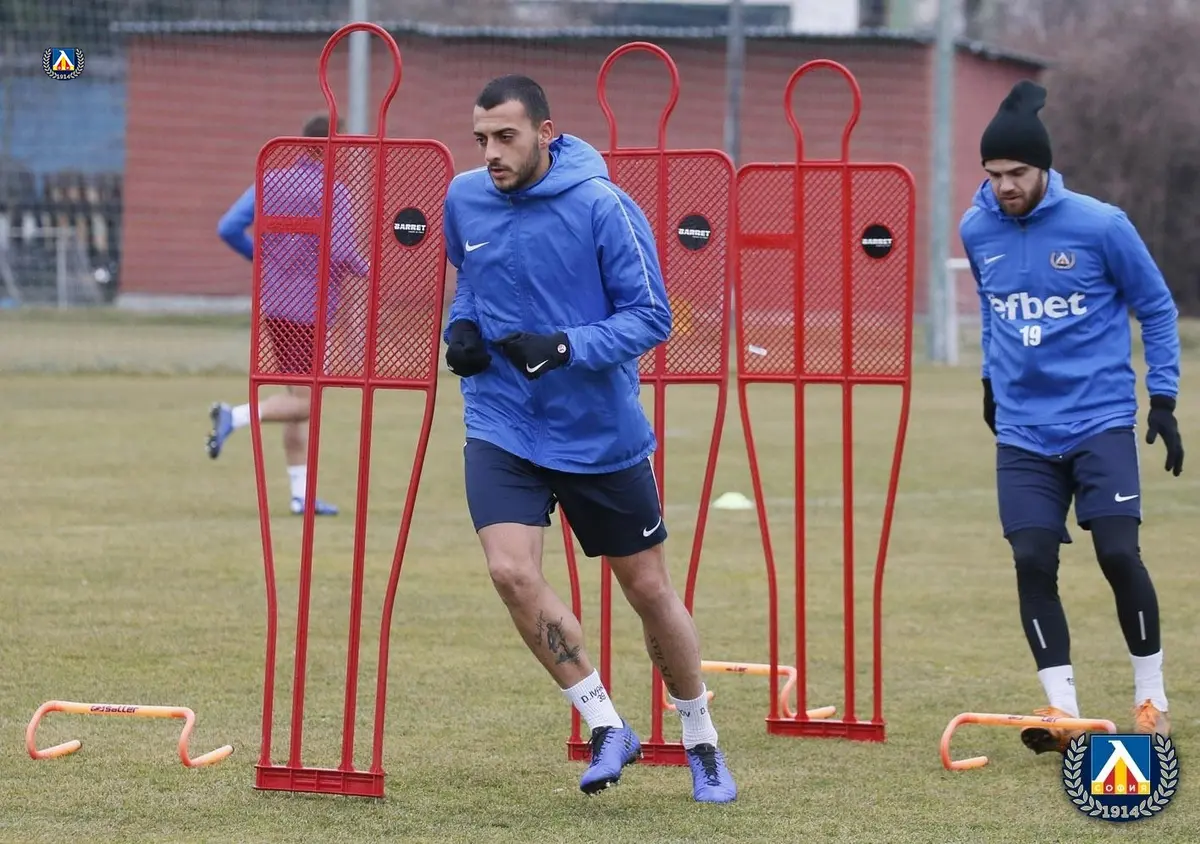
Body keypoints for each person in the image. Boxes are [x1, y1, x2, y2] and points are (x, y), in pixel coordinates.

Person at [440, 74, 737, 803]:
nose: (490, 153)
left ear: (546, 132)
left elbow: (651, 316)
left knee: (648, 589)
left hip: (596, 432)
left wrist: (565, 347)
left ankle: (700, 739)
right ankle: (606, 724)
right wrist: (463, 326)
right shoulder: (465, 197)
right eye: (481, 139)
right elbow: (471, 279)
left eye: (505, 137)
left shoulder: (604, 205)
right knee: (510, 573)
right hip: (502, 420)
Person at [960, 80, 1184, 755]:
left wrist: (1164, 398)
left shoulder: (1101, 225)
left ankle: (1151, 697)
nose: (1005, 186)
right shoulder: (977, 230)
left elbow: (1157, 307)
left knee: (1117, 552)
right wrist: (990, 381)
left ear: (1044, 168)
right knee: (1031, 558)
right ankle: (1062, 711)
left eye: (1016, 173)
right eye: (994, 174)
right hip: (1023, 431)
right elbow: (994, 311)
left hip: (1099, 419)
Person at [207, 113, 368, 516]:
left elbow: (228, 227)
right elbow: (342, 251)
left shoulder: (271, 180)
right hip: (311, 308)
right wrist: (370, 269)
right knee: (307, 404)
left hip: (276, 305)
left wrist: (262, 261)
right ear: (328, 145)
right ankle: (233, 416)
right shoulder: (334, 191)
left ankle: (301, 494)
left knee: (298, 397)